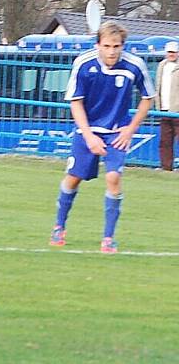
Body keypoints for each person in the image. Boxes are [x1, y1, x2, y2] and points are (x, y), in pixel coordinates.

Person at [49, 22, 154, 254]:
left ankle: (108, 237)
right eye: (106, 46)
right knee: (74, 178)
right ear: (98, 45)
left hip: (117, 131)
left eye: (116, 46)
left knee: (113, 178)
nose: (111, 51)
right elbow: (75, 102)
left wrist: (130, 129)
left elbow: (148, 97)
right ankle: (59, 226)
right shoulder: (84, 64)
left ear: (123, 46)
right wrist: (88, 135)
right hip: (88, 129)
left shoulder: (135, 65)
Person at [155, 41, 179, 171]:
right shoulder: (161, 66)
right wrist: (158, 105)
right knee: (165, 141)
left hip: (177, 111)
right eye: (169, 52)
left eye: (174, 52)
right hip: (164, 110)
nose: (171, 54)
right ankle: (166, 167)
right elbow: (158, 87)